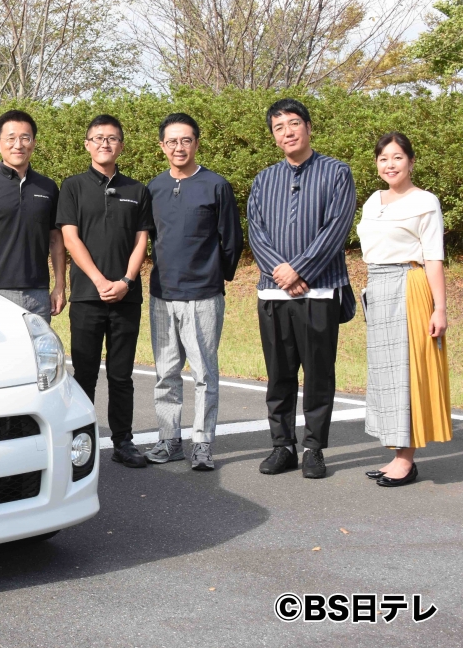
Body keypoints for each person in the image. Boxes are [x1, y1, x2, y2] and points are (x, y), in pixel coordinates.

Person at [247, 98, 356, 479]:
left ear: (309, 127)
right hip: (273, 292)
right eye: (279, 127)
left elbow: (336, 229)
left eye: (294, 123)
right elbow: (255, 231)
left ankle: (313, 448)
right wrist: (281, 272)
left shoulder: (337, 172)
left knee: (318, 373)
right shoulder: (264, 179)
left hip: (319, 290)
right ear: (274, 137)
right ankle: (282, 447)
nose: (288, 131)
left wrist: (300, 270)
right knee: (279, 374)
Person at [143, 113, 243, 471]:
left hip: (203, 294)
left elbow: (231, 240)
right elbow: (150, 238)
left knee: (204, 373)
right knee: (166, 373)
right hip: (162, 294)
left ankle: (202, 443)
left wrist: (217, 277)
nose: (179, 147)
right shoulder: (153, 188)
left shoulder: (216, 184)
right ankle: (169, 440)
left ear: (196, 143)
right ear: (162, 147)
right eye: (172, 141)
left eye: (186, 140)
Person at [57, 114, 155, 468]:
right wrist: (99, 281)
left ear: (121, 146)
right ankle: (81, 445)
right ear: (87, 145)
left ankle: (124, 442)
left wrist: (125, 281)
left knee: (121, 374)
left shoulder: (137, 191)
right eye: (97, 138)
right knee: (83, 375)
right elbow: (70, 237)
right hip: (87, 296)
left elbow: (142, 239)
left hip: (126, 296)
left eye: (112, 138)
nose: (104, 144)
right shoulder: (72, 187)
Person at [357, 132, 451, 487]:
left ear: (410, 161)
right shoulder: (373, 201)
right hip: (378, 287)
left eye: (397, 157)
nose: (390, 164)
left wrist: (439, 308)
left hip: (409, 286)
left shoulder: (424, 201)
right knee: (385, 375)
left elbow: (433, 259)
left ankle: (405, 460)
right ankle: (396, 452)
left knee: (406, 372)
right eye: (383, 158)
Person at [0, 110, 65, 323]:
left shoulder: (48, 187)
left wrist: (60, 287)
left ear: (33, 143)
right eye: (11, 138)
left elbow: (56, 240)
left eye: (25, 138)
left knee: (38, 354)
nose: (18, 145)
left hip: (38, 292)